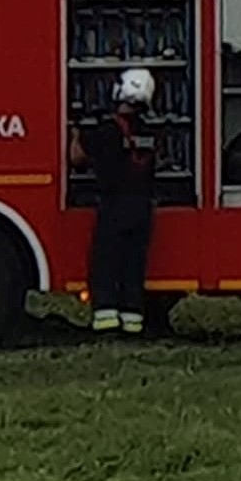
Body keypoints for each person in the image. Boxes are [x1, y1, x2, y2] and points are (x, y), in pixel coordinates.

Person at [82, 66, 158, 335]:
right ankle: (133, 321)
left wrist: (77, 129)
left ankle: (105, 320)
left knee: (105, 263)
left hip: (114, 205)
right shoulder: (149, 131)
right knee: (133, 266)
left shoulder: (106, 130)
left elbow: (77, 158)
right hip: (142, 207)